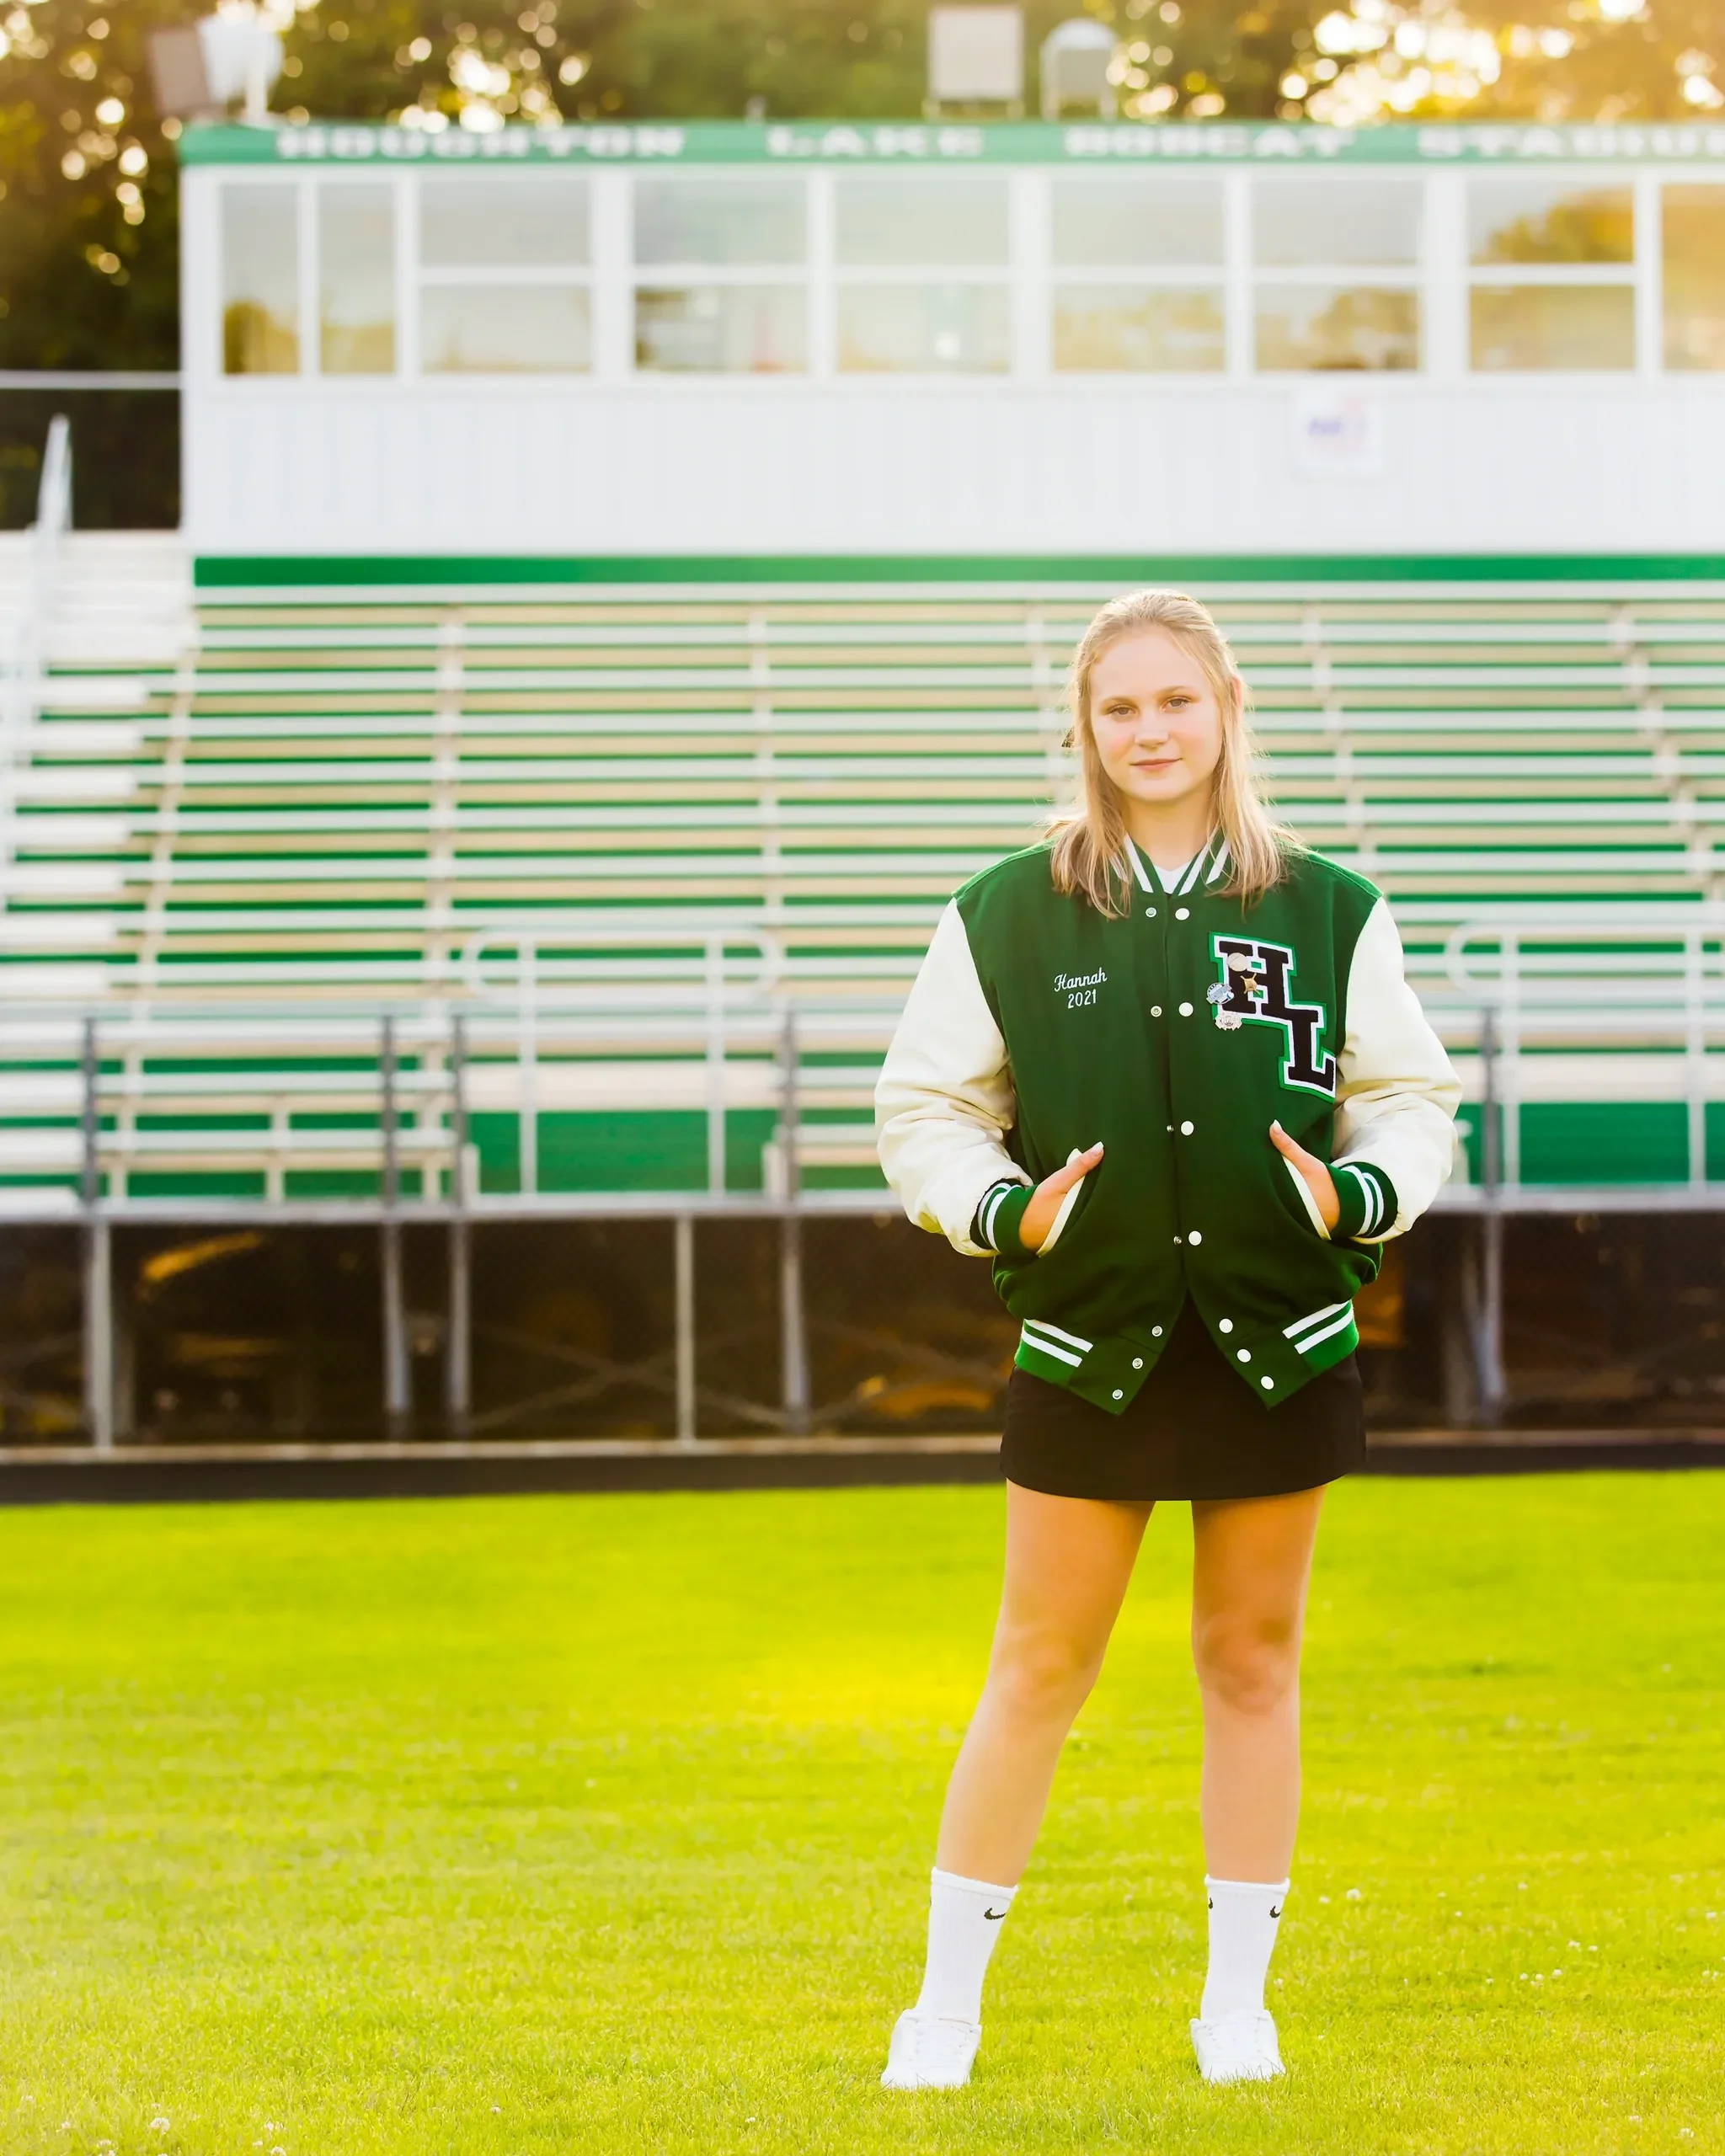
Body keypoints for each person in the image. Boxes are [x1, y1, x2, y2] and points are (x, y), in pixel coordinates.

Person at [872, 588, 1459, 2091]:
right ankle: (942, 2011)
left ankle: (1237, 2005)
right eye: (1119, 707)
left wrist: (1370, 1187)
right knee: (1037, 1666)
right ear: (1085, 726)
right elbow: (927, 1111)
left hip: (1281, 1334)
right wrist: (1005, 1211)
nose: (1148, 731)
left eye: (1174, 703)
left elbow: (1407, 1095)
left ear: (1226, 713)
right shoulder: (1007, 907)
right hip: (1088, 1343)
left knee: (1251, 1662)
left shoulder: (1328, 904)